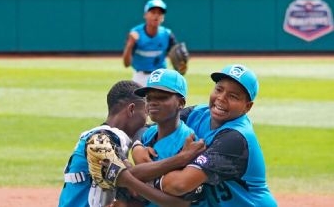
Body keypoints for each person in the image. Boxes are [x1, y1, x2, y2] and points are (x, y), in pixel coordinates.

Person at [131, 64, 277, 206]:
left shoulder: (236, 138)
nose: (221, 98)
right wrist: (137, 146)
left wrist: (144, 176)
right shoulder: (198, 114)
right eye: (219, 89)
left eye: (233, 96)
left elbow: (180, 185)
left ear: (247, 106)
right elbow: (151, 126)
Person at [58, 80, 205, 207]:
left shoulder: (100, 136)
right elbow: (131, 183)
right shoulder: (100, 142)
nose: (146, 121)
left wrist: (137, 146)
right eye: (145, 114)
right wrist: (181, 159)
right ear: (132, 109)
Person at [131, 69, 207, 207]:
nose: (152, 102)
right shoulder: (149, 134)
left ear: (181, 103)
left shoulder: (190, 143)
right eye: (149, 98)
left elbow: (186, 200)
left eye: (161, 97)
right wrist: (137, 147)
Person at [122, 0, 177, 87]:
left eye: (160, 13)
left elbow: (177, 61)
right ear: (145, 15)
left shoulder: (167, 35)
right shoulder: (135, 33)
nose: (156, 16)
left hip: (161, 77)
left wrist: (181, 64)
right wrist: (130, 45)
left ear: (163, 17)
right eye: (153, 12)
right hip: (140, 77)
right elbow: (126, 64)